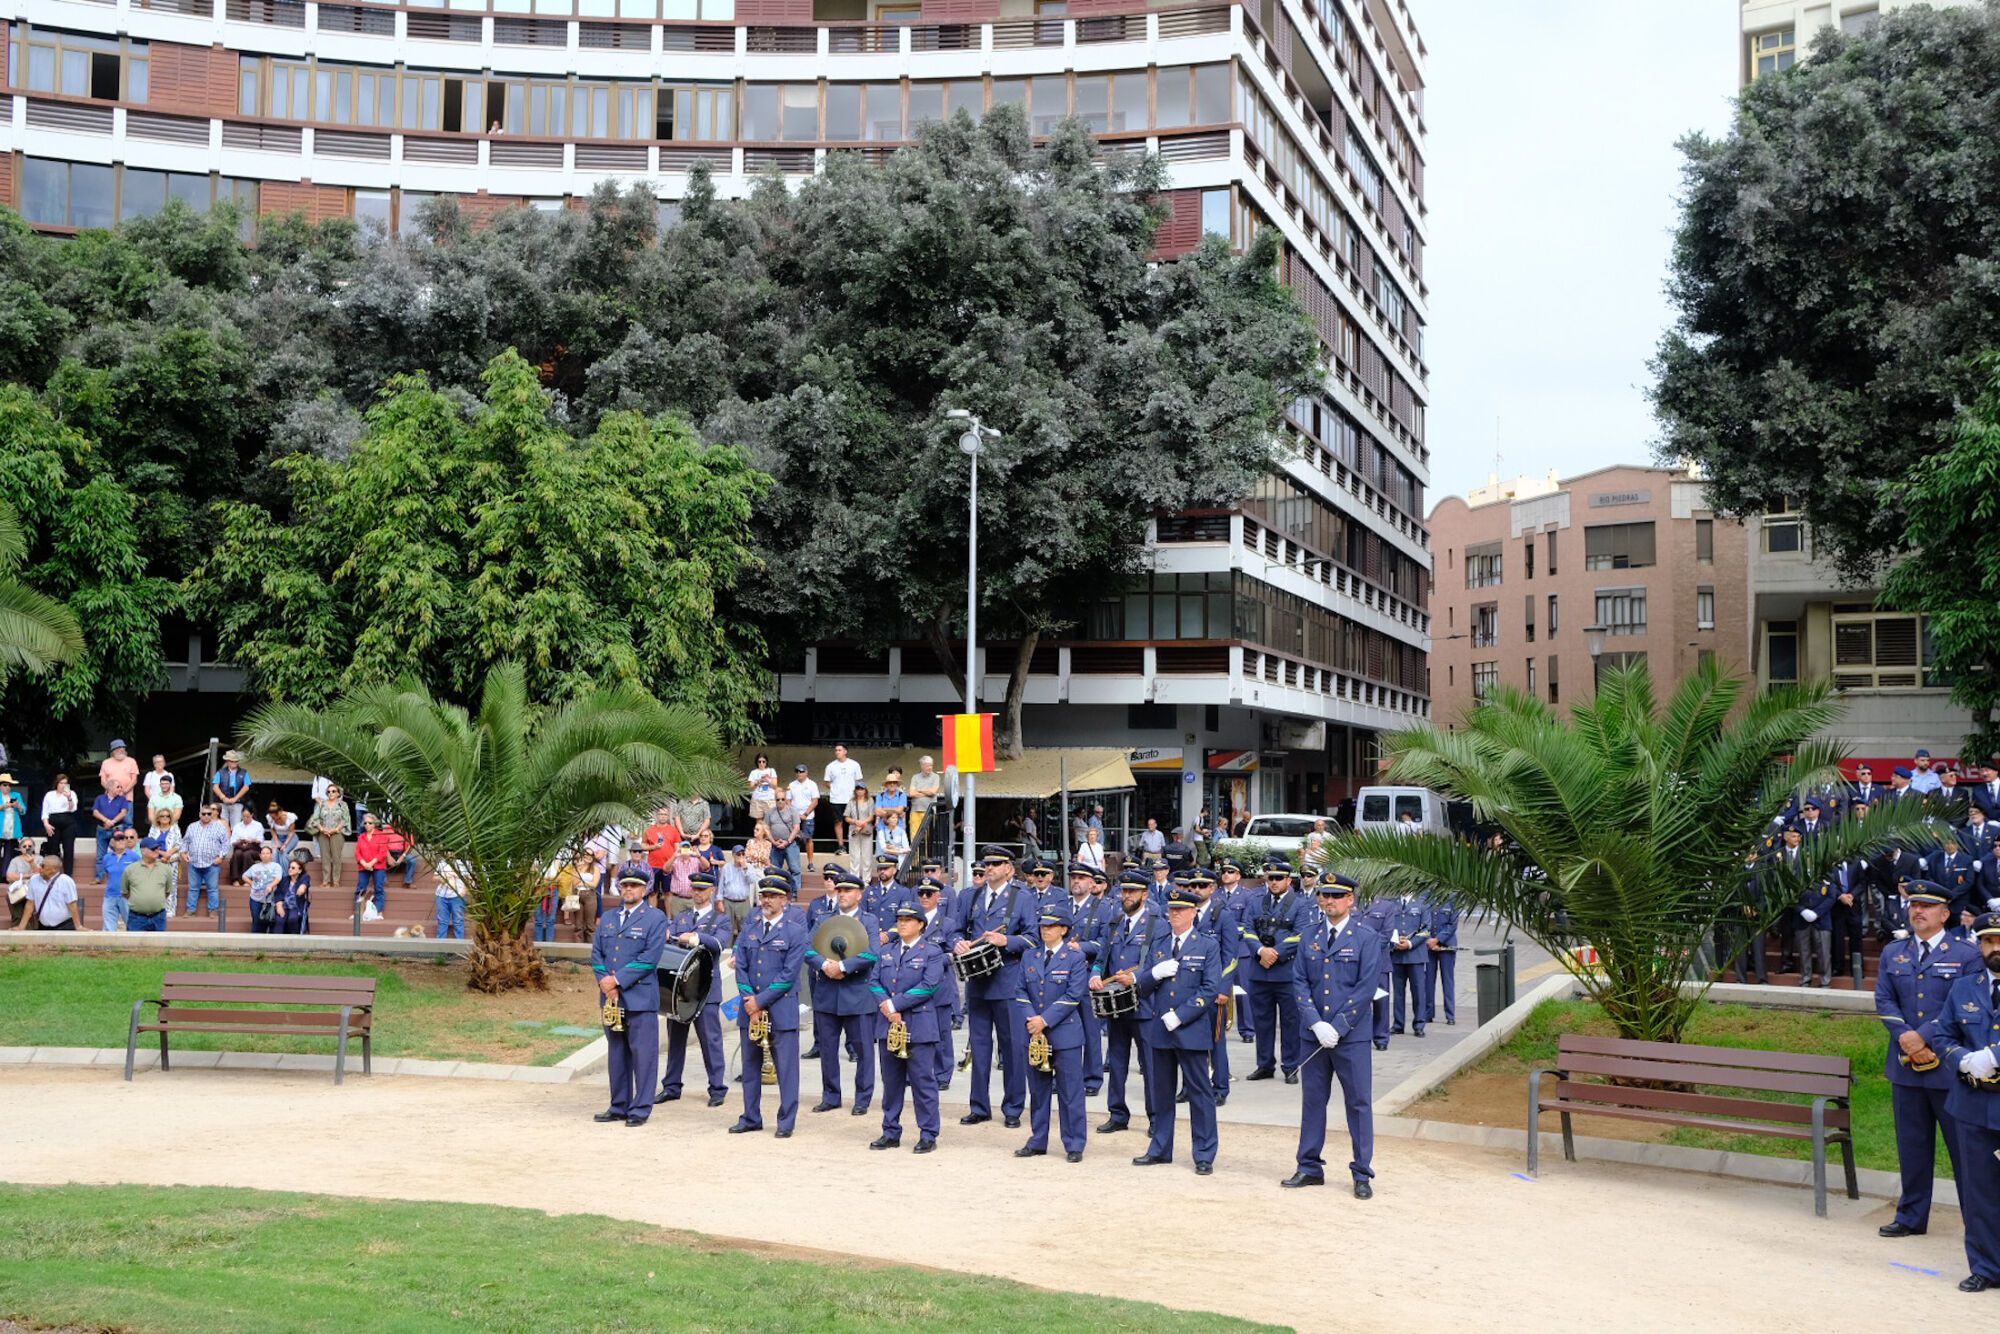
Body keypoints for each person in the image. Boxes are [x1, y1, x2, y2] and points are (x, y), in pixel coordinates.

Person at [1874, 882, 1978, 1238]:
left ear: (1944, 914)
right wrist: (1905, 1036)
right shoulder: (1894, 952)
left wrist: (1924, 1036)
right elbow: (1884, 1000)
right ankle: (1911, 1217)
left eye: (1927, 907)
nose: (1918, 911)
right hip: (1905, 1065)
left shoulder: (1966, 954)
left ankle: (1977, 1224)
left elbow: (1962, 1005)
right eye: (1914, 905)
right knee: (1912, 1147)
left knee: (1964, 1153)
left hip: (1948, 1069)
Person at [1284, 872, 1386, 1198]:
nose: (1330, 901)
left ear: (1350, 900)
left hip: (1351, 1037)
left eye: (1337, 896)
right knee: (1313, 1102)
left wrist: (1338, 1027)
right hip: (1313, 1035)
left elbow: (1366, 987)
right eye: (1325, 896)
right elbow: (1299, 982)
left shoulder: (1366, 938)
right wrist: (1315, 1023)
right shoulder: (1310, 935)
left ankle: (1361, 1173)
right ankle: (1309, 1166)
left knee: (1358, 1104)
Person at [1915, 911, 2000, 1291]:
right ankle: (1986, 1266)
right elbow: (1944, 1033)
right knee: (1979, 1192)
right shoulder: (1965, 987)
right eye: (1987, 941)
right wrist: (1961, 1059)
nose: (1994, 948)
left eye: (1999, 941)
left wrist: (1995, 1054)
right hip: (1974, 1105)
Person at [1132, 886, 1221, 1175]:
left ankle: (1204, 1153)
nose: (1174, 915)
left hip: (1191, 1028)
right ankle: (1160, 1148)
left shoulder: (1206, 945)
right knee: (1161, 1092)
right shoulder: (1158, 943)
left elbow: (1210, 989)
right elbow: (1142, 987)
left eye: (1180, 910)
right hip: (1160, 1029)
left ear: (1194, 912)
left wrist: (1181, 1016)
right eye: (1171, 910)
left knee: (1199, 1092)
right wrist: (1153, 974)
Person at [954, 846, 1038, 1129]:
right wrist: (958, 942)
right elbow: (955, 929)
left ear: (1009, 869)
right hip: (978, 982)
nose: (989, 868)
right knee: (978, 1047)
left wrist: (1007, 942)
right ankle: (979, 1106)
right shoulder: (972, 895)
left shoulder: (1022, 898)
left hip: (1008, 981)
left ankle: (1013, 1107)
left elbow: (1033, 938)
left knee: (1012, 1047)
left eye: (996, 864)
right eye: (986, 864)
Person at [591, 862, 669, 1128]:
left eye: (634, 885)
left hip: (639, 998)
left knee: (643, 1055)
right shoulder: (610, 918)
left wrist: (617, 980)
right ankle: (618, 1105)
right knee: (617, 1052)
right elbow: (597, 954)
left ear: (645, 889)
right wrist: (604, 981)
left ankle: (640, 1108)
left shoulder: (655, 918)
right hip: (611, 998)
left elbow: (650, 959)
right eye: (624, 884)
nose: (628, 889)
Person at [729, 873, 807, 1138]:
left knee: (786, 1069)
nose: (767, 900)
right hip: (750, 1009)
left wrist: (760, 1002)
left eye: (773, 896)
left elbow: (789, 974)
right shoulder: (750, 929)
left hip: (780, 1008)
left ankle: (786, 1121)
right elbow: (741, 967)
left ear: (784, 899)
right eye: (764, 895)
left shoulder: (795, 932)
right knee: (750, 1066)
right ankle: (751, 1116)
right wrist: (749, 999)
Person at [1014, 901, 1090, 1163]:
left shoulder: (1075, 957)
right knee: (1038, 1091)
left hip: (1064, 1033)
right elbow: (1020, 991)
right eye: (1043, 925)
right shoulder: (1030, 956)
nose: (1046, 930)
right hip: (1033, 1032)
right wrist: (1032, 1019)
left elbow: (1074, 995)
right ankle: (1038, 1140)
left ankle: (1074, 1143)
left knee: (1071, 1092)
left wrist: (1044, 1020)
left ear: (1064, 929)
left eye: (1052, 926)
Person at [870, 901, 946, 1153]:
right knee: (891, 1082)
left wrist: (894, 1004)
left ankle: (928, 1133)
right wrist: (886, 1005)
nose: (902, 923)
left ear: (921, 925)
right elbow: (873, 981)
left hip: (919, 1024)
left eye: (908, 919)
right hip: (889, 1025)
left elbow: (929, 986)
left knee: (923, 1081)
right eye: (900, 918)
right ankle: (890, 1130)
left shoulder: (931, 952)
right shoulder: (886, 951)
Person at [806, 866, 882, 1117]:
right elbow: (808, 950)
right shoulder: (823, 919)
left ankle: (862, 1098)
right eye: (839, 890)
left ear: (860, 894)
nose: (842, 894)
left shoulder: (869, 920)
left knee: (863, 1051)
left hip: (857, 993)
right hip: (827, 992)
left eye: (848, 890)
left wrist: (843, 966)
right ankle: (830, 1095)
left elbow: (873, 953)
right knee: (827, 1049)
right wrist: (825, 965)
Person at [1092, 870, 1162, 1135]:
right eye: (1124, 891)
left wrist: (1135, 977)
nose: (1127, 896)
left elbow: (1161, 962)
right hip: (1117, 1006)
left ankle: (1155, 1118)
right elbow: (1102, 956)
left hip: (1145, 1004)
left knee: (1151, 1066)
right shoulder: (1116, 921)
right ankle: (1117, 1114)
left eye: (1133, 891)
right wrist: (1096, 974)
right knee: (1118, 1062)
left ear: (1145, 894)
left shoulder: (1157, 923)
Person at [660, 869, 736, 1108]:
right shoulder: (682, 916)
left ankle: (717, 1088)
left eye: (702, 889)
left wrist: (697, 937)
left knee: (710, 1041)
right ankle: (671, 1086)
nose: (697, 893)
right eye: (694, 888)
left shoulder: (720, 918)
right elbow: (670, 933)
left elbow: (720, 943)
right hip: (680, 990)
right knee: (675, 1041)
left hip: (705, 990)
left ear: (712, 891)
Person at [1242, 858, 1309, 1082]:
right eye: (1270, 878)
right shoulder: (1256, 901)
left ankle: (1290, 1066)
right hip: (1260, 971)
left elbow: (1301, 934)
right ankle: (1264, 1065)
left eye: (1279, 878)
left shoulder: (1300, 904)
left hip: (1286, 972)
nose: (1274, 882)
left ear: (1289, 880)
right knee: (1262, 1021)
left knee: (1291, 1022)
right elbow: (1247, 929)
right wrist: (1261, 951)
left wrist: (1275, 953)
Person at [915, 875, 963, 1091]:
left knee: (942, 1033)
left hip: (939, 986)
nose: (924, 897)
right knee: (916, 1032)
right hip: (913, 985)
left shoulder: (947, 924)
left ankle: (943, 1074)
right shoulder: (910, 919)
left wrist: (930, 960)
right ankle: (916, 1072)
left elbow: (953, 952)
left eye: (929, 894)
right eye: (921, 894)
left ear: (938, 897)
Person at [1384, 892, 1434, 1036]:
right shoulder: (1392, 903)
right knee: (1398, 993)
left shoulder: (1422, 903)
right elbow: (1387, 926)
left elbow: (1426, 930)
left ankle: (1419, 1024)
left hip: (1416, 955)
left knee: (1418, 992)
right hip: (1397, 954)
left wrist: (1410, 943)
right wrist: (1395, 941)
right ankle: (1398, 1024)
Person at [182, 804, 229, 918]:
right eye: (204, 814)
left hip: (212, 863)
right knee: (193, 888)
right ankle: (190, 910)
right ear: (200, 815)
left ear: (212, 814)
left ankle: (213, 911)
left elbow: (226, 843)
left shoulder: (219, 827)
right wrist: (183, 853)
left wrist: (221, 857)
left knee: (212, 889)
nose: (206, 816)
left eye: (209, 814)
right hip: (194, 862)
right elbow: (185, 841)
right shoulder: (192, 827)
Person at [120, 837, 173, 933]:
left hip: (159, 917)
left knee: (160, 946)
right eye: (153, 849)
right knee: (133, 946)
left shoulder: (165, 869)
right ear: (143, 851)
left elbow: (167, 891)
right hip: (137, 917)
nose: (157, 851)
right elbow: (125, 892)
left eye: (157, 848)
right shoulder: (130, 869)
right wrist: (139, 901)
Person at [18, 855, 80, 930]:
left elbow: (72, 904)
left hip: (65, 926)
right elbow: (30, 904)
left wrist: (78, 926)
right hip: (42, 926)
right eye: (40, 865)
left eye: (43, 866)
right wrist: (21, 927)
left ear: (54, 869)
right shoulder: (34, 879)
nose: (40, 868)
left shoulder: (66, 881)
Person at [824, 743, 862, 855]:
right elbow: (826, 781)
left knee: (854, 822)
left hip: (851, 799)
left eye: (839, 750)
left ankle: (854, 845)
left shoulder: (854, 764)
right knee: (838, 822)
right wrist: (834, 788)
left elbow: (859, 781)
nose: (837, 752)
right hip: (836, 799)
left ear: (845, 751)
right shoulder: (830, 766)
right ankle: (841, 846)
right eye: (836, 750)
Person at [98, 827, 140, 931]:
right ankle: (108, 946)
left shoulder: (134, 857)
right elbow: (107, 875)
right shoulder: (107, 858)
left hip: (128, 896)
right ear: (112, 842)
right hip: (110, 895)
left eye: (123, 838)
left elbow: (140, 876)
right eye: (118, 839)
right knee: (108, 926)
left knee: (132, 924)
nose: (121, 841)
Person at [1427, 897, 1461, 1024]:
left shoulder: (1453, 899)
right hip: (1429, 946)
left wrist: (1438, 940)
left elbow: (1452, 925)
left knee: (1447, 980)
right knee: (1428, 980)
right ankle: (1428, 1013)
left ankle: (1450, 1015)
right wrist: (1430, 941)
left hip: (1447, 945)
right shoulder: (1425, 896)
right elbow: (1423, 922)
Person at [91, 784, 133, 884]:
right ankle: (99, 877)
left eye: (120, 786)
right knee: (100, 854)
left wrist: (112, 822)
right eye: (118, 787)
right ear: (110, 788)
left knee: (120, 852)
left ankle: (122, 877)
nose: (120, 789)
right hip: (102, 828)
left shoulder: (122, 799)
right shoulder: (100, 798)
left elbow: (124, 812)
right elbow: (95, 812)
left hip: (117, 828)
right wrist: (106, 820)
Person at [313, 785, 352, 889]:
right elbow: (315, 819)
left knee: (336, 857)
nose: (331, 793)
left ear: (338, 793)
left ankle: (336, 881)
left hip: (337, 833)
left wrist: (335, 830)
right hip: (323, 833)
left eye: (333, 791)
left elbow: (345, 819)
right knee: (325, 857)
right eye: (329, 791)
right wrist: (322, 829)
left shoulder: (342, 805)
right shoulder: (321, 804)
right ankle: (326, 881)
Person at [40, 773, 78, 878]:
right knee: (53, 848)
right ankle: (53, 873)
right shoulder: (49, 794)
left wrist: (69, 797)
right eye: (61, 783)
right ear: (57, 783)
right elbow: (45, 812)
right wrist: (46, 824)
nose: (63, 785)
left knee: (68, 848)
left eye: (65, 783)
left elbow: (73, 809)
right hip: (53, 822)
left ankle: (68, 874)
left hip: (68, 821)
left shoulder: (72, 793)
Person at [788, 764, 821, 871]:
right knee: (793, 840)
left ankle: (810, 863)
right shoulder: (792, 785)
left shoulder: (812, 784)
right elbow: (788, 801)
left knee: (808, 839)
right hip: (794, 816)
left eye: (801, 771)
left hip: (808, 816)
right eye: (797, 771)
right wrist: (795, 814)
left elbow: (815, 801)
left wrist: (805, 814)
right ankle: (793, 864)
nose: (799, 773)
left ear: (806, 773)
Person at [245, 844, 283, 933]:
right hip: (255, 898)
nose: (265, 855)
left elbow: (278, 878)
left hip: (270, 899)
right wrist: (251, 883)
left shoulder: (276, 866)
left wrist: (271, 885)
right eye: (263, 853)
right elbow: (244, 876)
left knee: (268, 920)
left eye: (267, 853)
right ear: (260, 855)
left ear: (271, 855)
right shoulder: (255, 867)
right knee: (256, 919)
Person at [717, 844, 756, 929]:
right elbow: (721, 885)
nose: (741, 856)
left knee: (745, 928)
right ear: (733, 855)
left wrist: (745, 868)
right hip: (728, 901)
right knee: (727, 927)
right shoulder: (726, 867)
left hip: (743, 902)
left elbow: (752, 880)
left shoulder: (749, 867)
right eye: (738, 854)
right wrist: (719, 901)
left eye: (743, 854)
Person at [275, 847, 313, 934]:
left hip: (296, 906)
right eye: (289, 867)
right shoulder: (284, 880)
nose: (290, 869)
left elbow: (305, 883)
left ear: (299, 871)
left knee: (293, 919)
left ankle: (294, 940)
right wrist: (279, 905)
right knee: (279, 920)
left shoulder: (304, 877)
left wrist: (302, 887)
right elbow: (278, 894)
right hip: (284, 905)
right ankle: (278, 942)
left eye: (293, 868)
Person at [211, 749, 252, 827]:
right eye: (232, 761)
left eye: (236, 761)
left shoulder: (244, 772)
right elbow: (215, 787)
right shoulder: (220, 772)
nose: (234, 763)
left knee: (236, 825)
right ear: (227, 761)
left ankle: (234, 839)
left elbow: (246, 787)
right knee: (222, 825)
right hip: (222, 803)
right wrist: (223, 798)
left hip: (237, 802)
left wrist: (235, 799)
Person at [225, 806, 265, 885]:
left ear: (252, 815)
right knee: (237, 854)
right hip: (240, 846)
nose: (245, 818)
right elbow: (232, 841)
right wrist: (239, 841)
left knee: (247, 854)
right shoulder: (237, 826)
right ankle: (235, 879)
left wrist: (252, 840)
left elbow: (261, 840)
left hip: (253, 848)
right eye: (243, 816)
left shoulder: (258, 825)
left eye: (247, 816)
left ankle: (247, 879)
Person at [908, 757, 942, 851]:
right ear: (922, 766)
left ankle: (925, 860)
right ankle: (915, 861)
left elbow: (933, 792)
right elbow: (911, 793)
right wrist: (926, 793)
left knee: (928, 837)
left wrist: (919, 790)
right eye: (927, 765)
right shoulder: (915, 777)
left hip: (929, 811)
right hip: (915, 810)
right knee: (914, 836)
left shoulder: (935, 777)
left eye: (931, 765)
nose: (930, 768)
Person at [767, 792, 803, 879]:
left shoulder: (793, 811)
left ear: (786, 800)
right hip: (775, 845)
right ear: (775, 800)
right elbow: (766, 828)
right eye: (778, 799)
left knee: (795, 869)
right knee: (775, 870)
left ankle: (795, 891)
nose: (780, 801)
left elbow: (796, 828)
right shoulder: (770, 812)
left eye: (782, 799)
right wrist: (774, 842)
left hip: (790, 844)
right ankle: (775, 891)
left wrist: (787, 841)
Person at [843, 783, 875, 872]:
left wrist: (862, 823)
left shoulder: (870, 800)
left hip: (866, 829)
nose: (860, 791)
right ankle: (854, 877)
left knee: (867, 855)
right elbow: (846, 817)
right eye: (858, 789)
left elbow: (872, 816)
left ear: (865, 790)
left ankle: (866, 879)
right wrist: (855, 822)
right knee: (854, 855)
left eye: (862, 789)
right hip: (854, 829)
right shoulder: (851, 802)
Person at [98, 739, 139, 808]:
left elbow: (134, 780)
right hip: (110, 797)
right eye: (119, 748)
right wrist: (112, 792)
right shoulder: (106, 762)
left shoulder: (131, 761)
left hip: (126, 797)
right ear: (113, 750)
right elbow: (103, 781)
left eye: (123, 747)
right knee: (111, 818)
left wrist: (124, 791)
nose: (122, 749)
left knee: (127, 819)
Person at [434, 859, 468, 939]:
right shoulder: (442, 863)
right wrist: (441, 878)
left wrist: (465, 891)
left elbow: (469, 879)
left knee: (458, 921)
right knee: (442, 921)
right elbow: (434, 877)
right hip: (442, 895)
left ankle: (459, 946)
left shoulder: (464, 863)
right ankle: (440, 947)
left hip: (457, 895)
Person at [0, 773, 26, 867]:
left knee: (9, 854)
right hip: (1, 829)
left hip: (12, 829)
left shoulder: (16, 795)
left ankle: (5, 876)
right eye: (5, 785)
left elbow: (23, 811)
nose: (7, 787)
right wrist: (3, 806)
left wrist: (18, 806)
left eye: (9, 785)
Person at [746, 752, 779, 821]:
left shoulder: (771, 770)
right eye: (759, 761)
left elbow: (775, 786)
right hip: (757, 799)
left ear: (766, 762)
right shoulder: (753, 772)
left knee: (770, 822)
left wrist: (767, 780)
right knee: (759, 822)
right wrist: (758, 781)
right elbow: (750, 788)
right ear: (757, 762)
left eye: (763, 761)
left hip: (769, 799)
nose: (761, 763)